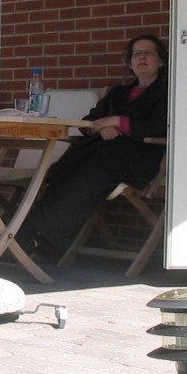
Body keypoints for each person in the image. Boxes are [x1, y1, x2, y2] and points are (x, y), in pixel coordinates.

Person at [16, 34, 168, 263]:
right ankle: (35, 237)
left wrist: (118, 121)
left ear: (161, 61)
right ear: (130, 63)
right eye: (137, 54)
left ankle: (37, 238)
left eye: (149, 53)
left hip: (136, 158)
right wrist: (101, 128)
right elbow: (90, 120)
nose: (142, 57)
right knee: (61, 172)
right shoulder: (118, 93)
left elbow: (162, 127)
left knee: (88, 175)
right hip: (102, 153)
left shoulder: (166, 93)